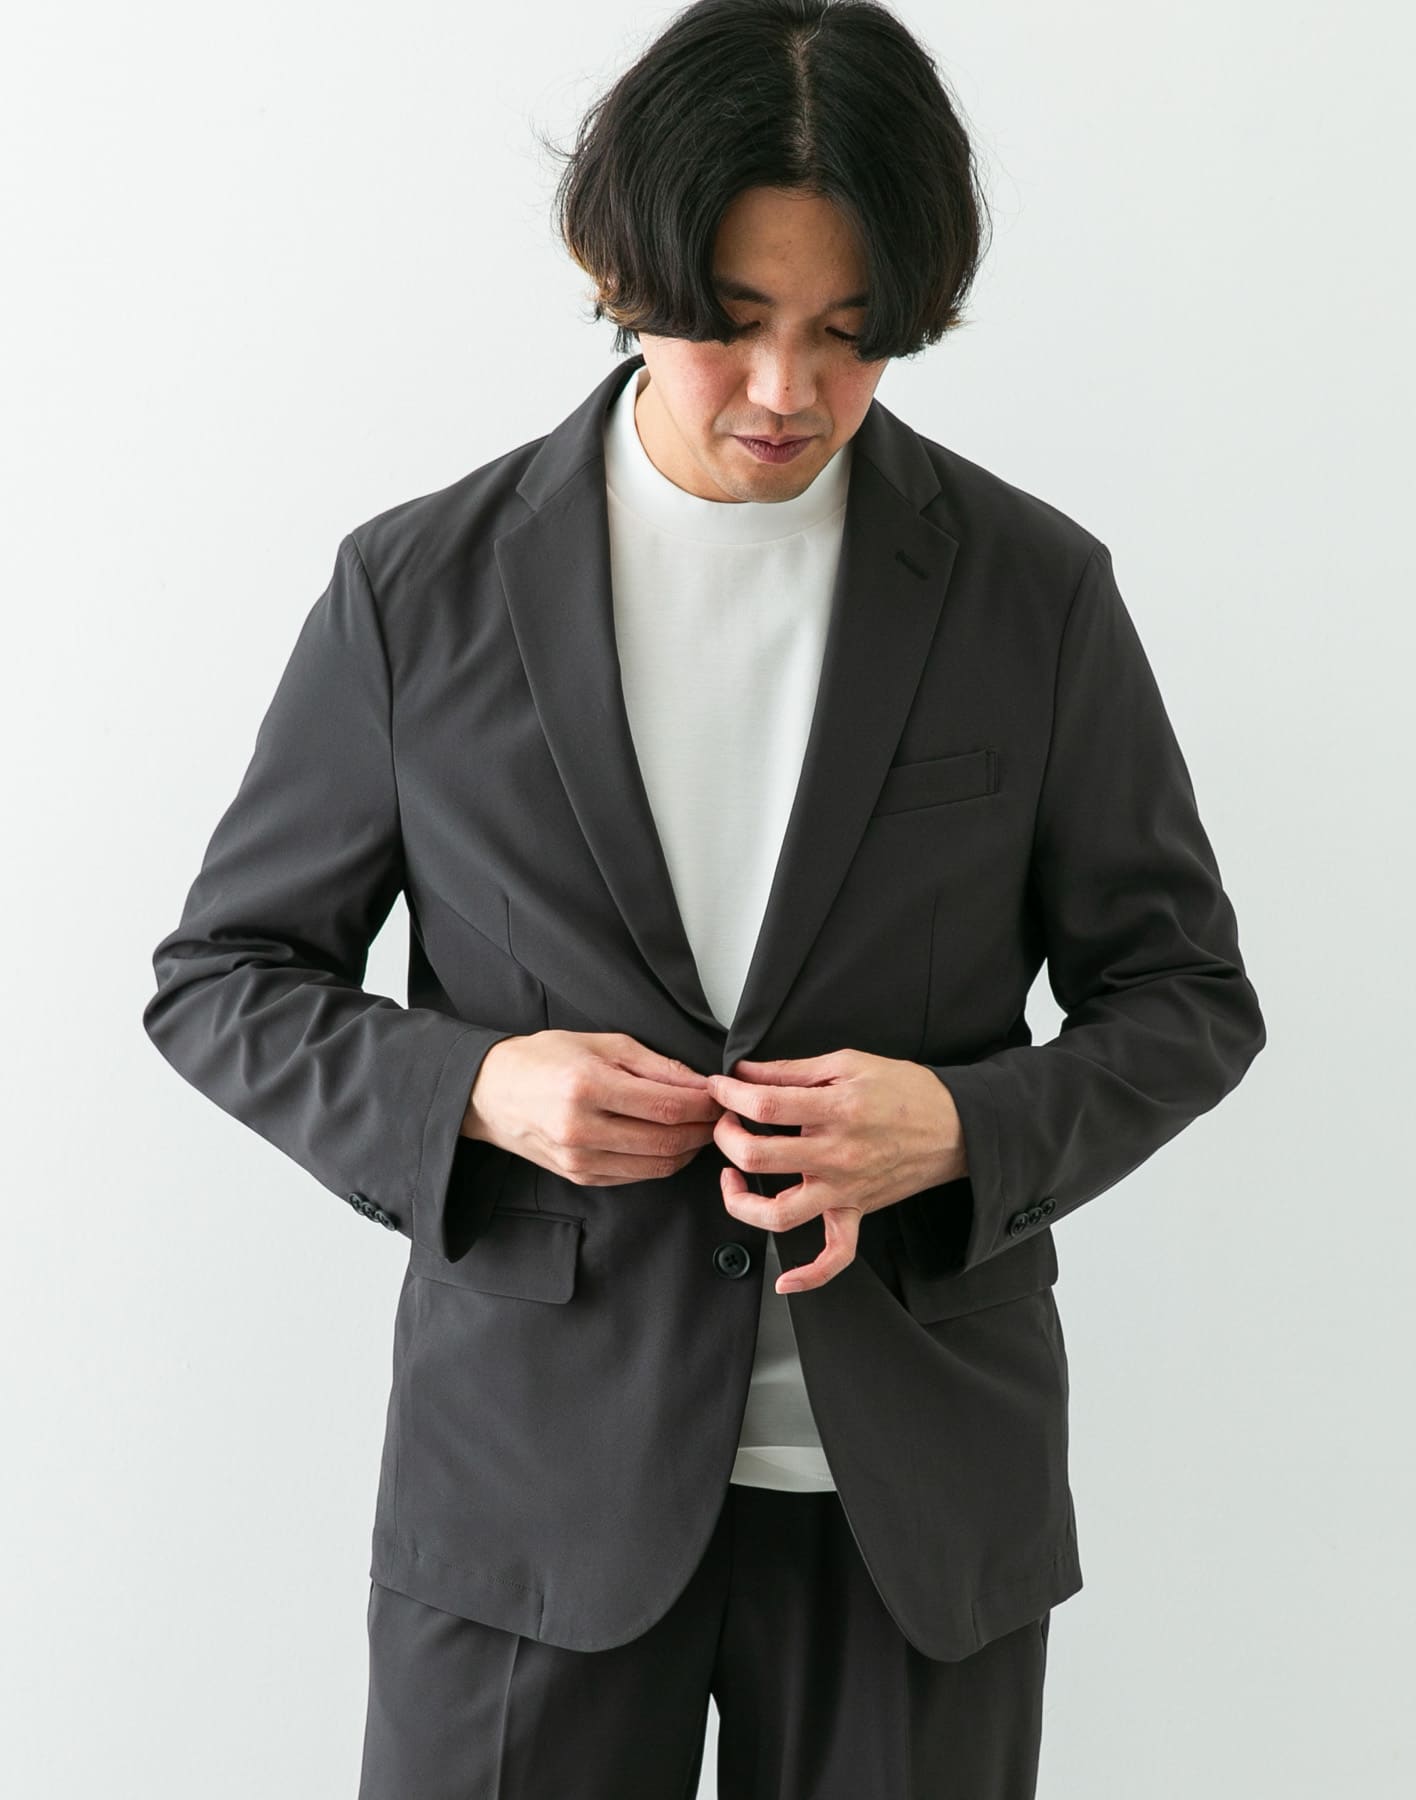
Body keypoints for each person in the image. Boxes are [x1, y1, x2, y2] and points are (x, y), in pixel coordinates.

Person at [142, 2, 1266, 1794]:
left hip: (915, 1510)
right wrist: (478, 1088)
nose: (786, 392)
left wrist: (962, 1129)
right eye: (732, 320)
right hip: (530, 1498)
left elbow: (1187, 998)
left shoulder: (1032, 595)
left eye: (850, 334)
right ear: (614, 271)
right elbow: (224, 976)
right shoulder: (418, 594)